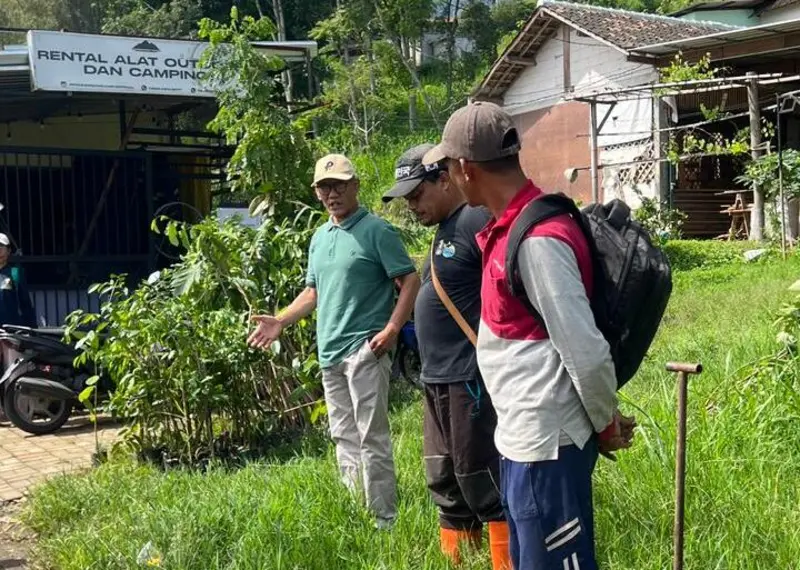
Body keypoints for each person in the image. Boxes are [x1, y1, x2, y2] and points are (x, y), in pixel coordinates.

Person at [423, 102, 635, 570]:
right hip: (524, 442)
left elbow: (584, 349)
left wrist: (603, 424)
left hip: (547, 445)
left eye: (448, 168)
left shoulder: (538, 240)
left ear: (465, 169)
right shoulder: (509, 228)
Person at [248, 154, 420, 529]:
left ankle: (384, 519)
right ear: (316, 193)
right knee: (343, 435)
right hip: (330, 352)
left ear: (355, 186)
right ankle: (357, 511)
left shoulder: (376, 231)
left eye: (340, 185)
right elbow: (313, 292)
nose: (333, 193)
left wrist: (392, 329)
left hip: (365, 349)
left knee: (370, 436)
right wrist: (280, 320)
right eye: (325, 187)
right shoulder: (319, 237)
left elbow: (410, 280)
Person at [381, 144, 511, 570]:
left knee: (482, 479)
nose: (412, 206)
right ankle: (459, 562)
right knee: (445, 478)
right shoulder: (446, 228)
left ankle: (505, 562)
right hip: (438, 378)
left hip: (468, 377)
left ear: (444, 178)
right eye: (406, 199)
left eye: (417, 194)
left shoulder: (474, 220)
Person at [0, 233, 35, 329]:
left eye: (2, 247)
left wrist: (32, 328)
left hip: (10, 330)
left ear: (9, 251)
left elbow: (25, 302)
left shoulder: (15, 273)